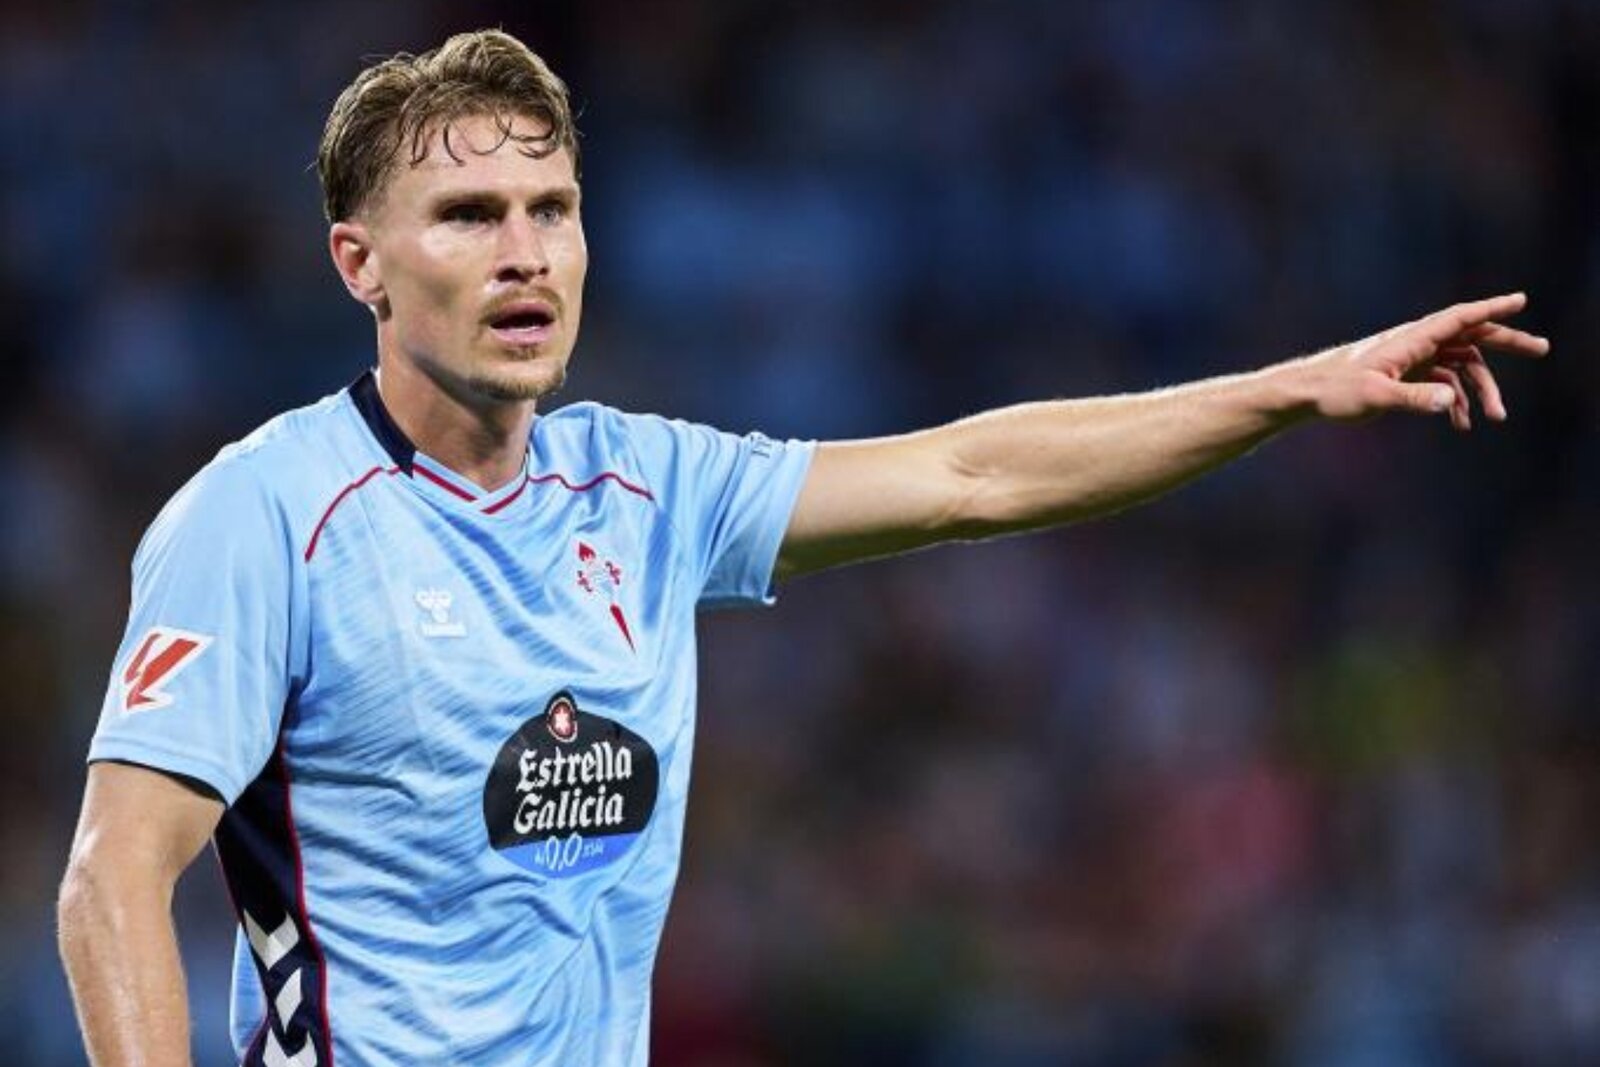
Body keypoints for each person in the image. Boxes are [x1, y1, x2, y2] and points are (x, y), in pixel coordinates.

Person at [55, 28, 1548, 1067]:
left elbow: (971, 473)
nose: (523, 253)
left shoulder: (647, 486)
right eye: (467, 215)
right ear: (359, 265)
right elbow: (113, 881)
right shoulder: (264, 517)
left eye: (552, 210)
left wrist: (1293, 389)